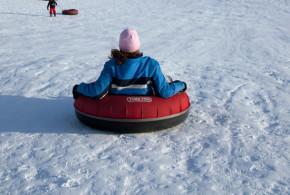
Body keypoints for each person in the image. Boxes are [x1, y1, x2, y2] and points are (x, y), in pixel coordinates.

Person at [72, 28, 187, 99]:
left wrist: (79, 88)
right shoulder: (151, 64)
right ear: (138, 45)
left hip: (115, 113)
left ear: (121, 46)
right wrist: (180, 84)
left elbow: (97, 91)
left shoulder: (112, 65)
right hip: (146, 112)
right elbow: (165, 92)